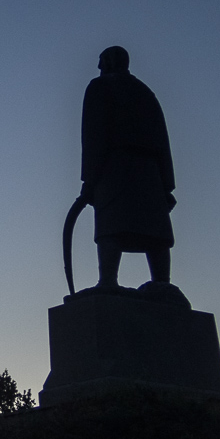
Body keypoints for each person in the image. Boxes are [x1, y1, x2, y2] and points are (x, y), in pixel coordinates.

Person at [79, 46, 176, 288]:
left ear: (110, 62)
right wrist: (166, 184)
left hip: (115, 167)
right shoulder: (145, 92)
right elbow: (164, 141)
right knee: (154, 231)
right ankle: (162, 283)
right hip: (150, 173)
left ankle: (108, 282)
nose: (99, 67)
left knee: (111, 226)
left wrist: (89, 180)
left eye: (101, 61)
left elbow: (94, 137)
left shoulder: (99, 88)